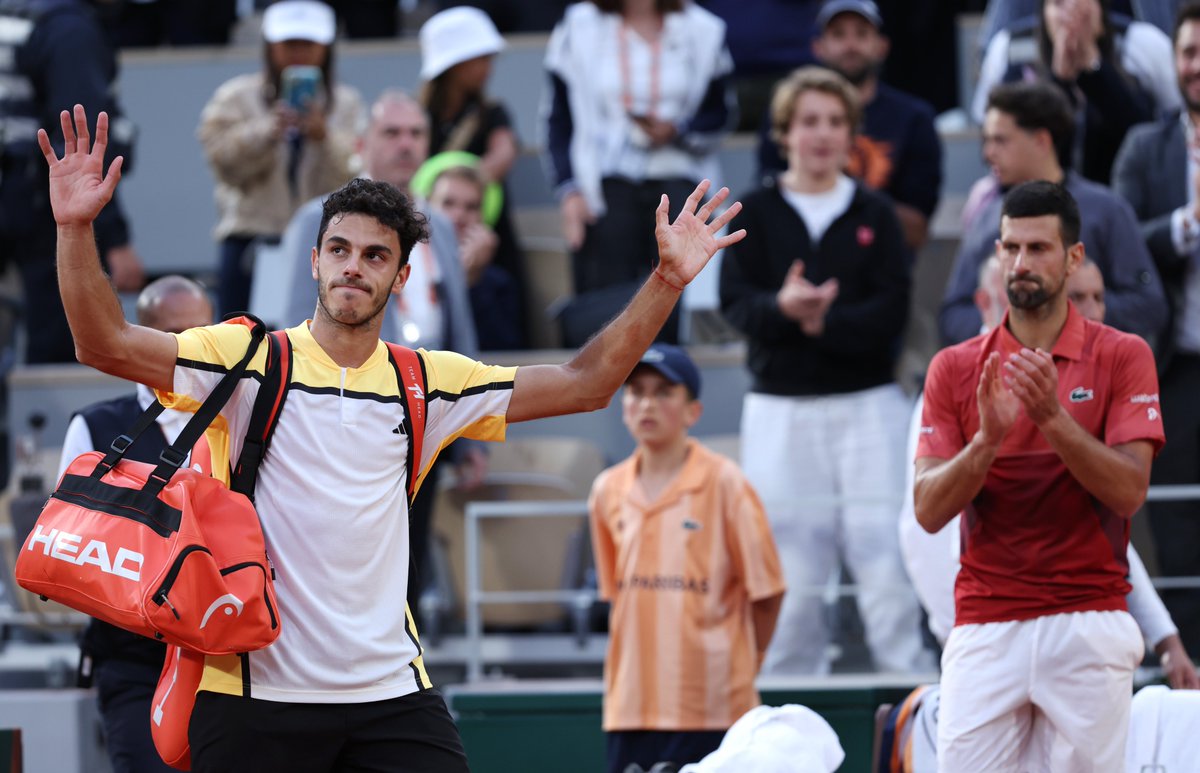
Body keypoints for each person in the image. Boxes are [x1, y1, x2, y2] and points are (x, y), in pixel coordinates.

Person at [40, 103, 744, 772]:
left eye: (375, 255)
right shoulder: (249, 359)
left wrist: (665, 280)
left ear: (401, 275)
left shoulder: (426, 382)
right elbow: (101, 342)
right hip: (254, 692)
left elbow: (586, 382)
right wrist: (75, 228)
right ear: (314, 259)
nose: (353, 265)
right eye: (340, 249)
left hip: (389, 692)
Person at [914, 180, 1163, 771]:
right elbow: (927, 511)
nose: (1020, 263)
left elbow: (1129, 492)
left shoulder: (1125, 354)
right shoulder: (952, 368)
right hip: (984, 620)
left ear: (1074, 257)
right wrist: (986, 442)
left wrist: (1052, 418)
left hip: (1089, 615)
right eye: (1010, 248)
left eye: (1038, 248)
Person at [901, 256, 1198, 689]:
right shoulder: (954, 374)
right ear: (1005, 298)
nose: (1092, 310)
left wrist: (1165, 637)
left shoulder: (1107, 364)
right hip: (988, 627)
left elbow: (1111, 520)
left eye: (1098, 297)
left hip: (1081, 624)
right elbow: (921, 525)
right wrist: (957, 636)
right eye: (1077, 297)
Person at [719, 66, 931, 676]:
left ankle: (910, 694)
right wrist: (781, 310)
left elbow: (893, 308)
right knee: (790, 566)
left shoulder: (878, 213)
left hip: (869, 405)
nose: (823, 134)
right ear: (785, 132)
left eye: (836, 122)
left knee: (884, 553)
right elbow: (737, 303)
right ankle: (787, 703)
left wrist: (824, 324)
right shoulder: (753, 210)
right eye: (809, 121)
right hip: (780, 410)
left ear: (852, 134)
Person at [279, 89, 484, 614]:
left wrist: (470, 439)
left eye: (416, 134)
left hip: (426, 412)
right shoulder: (319, 220)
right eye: (392, 133)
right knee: (344, 558)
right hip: (343, 416)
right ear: (362, 144)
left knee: (408, 558)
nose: (406, 145)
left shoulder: (438, 222)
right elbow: (290, 323)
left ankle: (398, 667)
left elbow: (459, 327)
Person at [589, 343, 786, 773]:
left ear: (693, 411)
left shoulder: (726, 482)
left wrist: (742, 670)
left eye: (664, 392)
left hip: (714, 707)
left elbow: (767, 594)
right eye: (636, 391)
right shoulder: (606, 490)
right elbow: (617, 597)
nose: (647, 403)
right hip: (631, 707)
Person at [55, 275, 213, 773]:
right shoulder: (95, 426)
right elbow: (68, 546)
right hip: (132, 658)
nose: (190, 350)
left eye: (201, 334)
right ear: (143, 336)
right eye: (173, 335)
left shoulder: (247, 420)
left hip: (229, 659)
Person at [541, 0, 734, 342]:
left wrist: (679, 129)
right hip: (603, 184)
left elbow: (721, 113)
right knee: (607, 307)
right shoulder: (578, 24)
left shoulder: (704, 28)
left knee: (680, 284)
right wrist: (569, 191)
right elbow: (558, 119)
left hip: (682, 176)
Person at [939, 80, 1166, 346]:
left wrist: (1070, 306)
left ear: (1041, 140)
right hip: (1004, 379)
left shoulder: (1106, 210)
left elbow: (1149, 306)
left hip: (1091, 379)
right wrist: (1006, 319)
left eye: (1000, 140)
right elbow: (952, 314)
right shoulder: (987, 216)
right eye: (1011, 248)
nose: (988, 153)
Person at [1112, 0, 1200, 659]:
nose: (1197, 67)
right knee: (1178, 528)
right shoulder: (1148, 145)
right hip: (1179, 367)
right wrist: (1186, 224)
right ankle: (1191, 673)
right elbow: (1121, 241)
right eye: (1190, 53)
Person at [198, 0, 363, 317]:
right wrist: (265, 132)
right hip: (251, 239)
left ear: (326, 48)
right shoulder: (235, 97)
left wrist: (323, 137)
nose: (298, 53)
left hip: (323, 242)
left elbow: (355, 175)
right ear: (270, 47)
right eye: (289, 44)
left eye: (308, 44)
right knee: (238, 345)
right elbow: (223, 164)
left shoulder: (347, 104)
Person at [0, 0, 144, 364]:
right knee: (59, 345)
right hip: (33, 208)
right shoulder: (66, 28)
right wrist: (114, 239)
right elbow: (83, 147)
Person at [757, 0, 943, 250]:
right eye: (838, 34)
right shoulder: (787, 112)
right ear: (817, 47)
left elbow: (916, 229)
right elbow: (768, 200)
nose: (850, 45)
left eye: (861, 33)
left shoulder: (915, 118)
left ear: (882, 46)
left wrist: (836, 189)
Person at [972, 0, 1177, 184]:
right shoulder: (1010, 49)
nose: (1069, 15)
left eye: (1080, 3)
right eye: (1059, 3)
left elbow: (1147, 134)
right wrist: (1060, 81)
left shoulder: (1140, 45)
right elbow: (1013, 142)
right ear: (1044, 11)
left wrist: (1094, 69)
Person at [417, 6, 528, 340]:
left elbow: (504, 151)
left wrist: (461, 189)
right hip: (430, 237)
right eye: (479, 58)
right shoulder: (420, 119)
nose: (488, 68)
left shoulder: (491, 112)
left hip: (488, 233)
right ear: (454, 64)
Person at [423, 161, 524, 351]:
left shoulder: (499, 283)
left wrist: (472, 280)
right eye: (448, 203)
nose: (459, 215)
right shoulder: (411, 266)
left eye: (471, 207)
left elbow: (503, 351)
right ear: (427, 206)